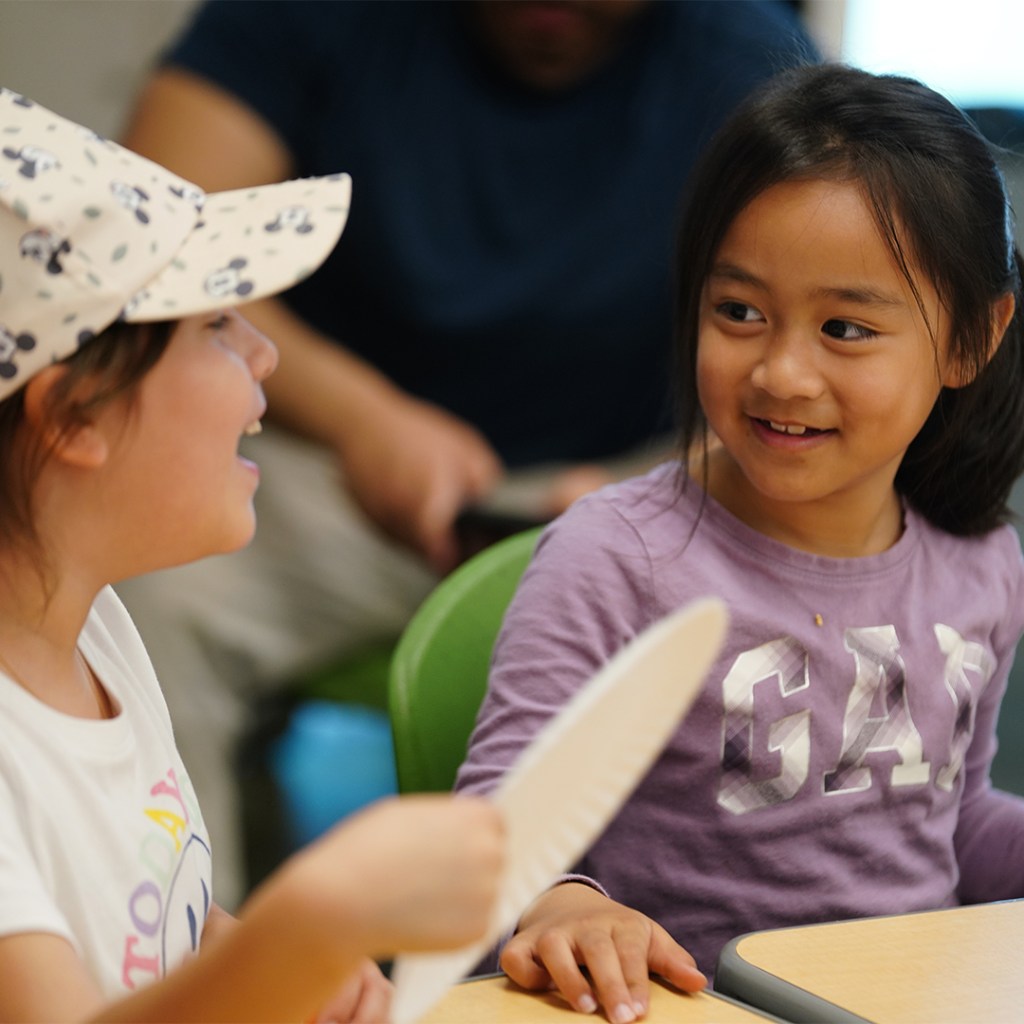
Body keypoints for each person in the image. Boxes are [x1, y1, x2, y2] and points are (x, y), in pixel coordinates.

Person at [113, 0, 819, 908]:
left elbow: (806, 353)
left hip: (640, 469)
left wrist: (667, 491)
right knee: (141, 593)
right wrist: (363, 419)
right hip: (322, 470)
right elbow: (156, 239)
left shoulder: (744, 53)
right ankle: (183, 953)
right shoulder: (305, 24)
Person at [455, 63, 1024, 1023]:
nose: (780, 372)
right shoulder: (618, 559)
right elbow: (496, 835)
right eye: (739, 313)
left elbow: (950, 820)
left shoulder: (981, 562)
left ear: (972, 338)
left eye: (844, 328)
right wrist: (567, 906)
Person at [0, 88, 505, 1023]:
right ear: (74, 416)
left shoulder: (90, 624)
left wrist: (281, 968)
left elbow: (153, 924)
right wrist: (309, 926)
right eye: (217, 326)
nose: (267, 355)